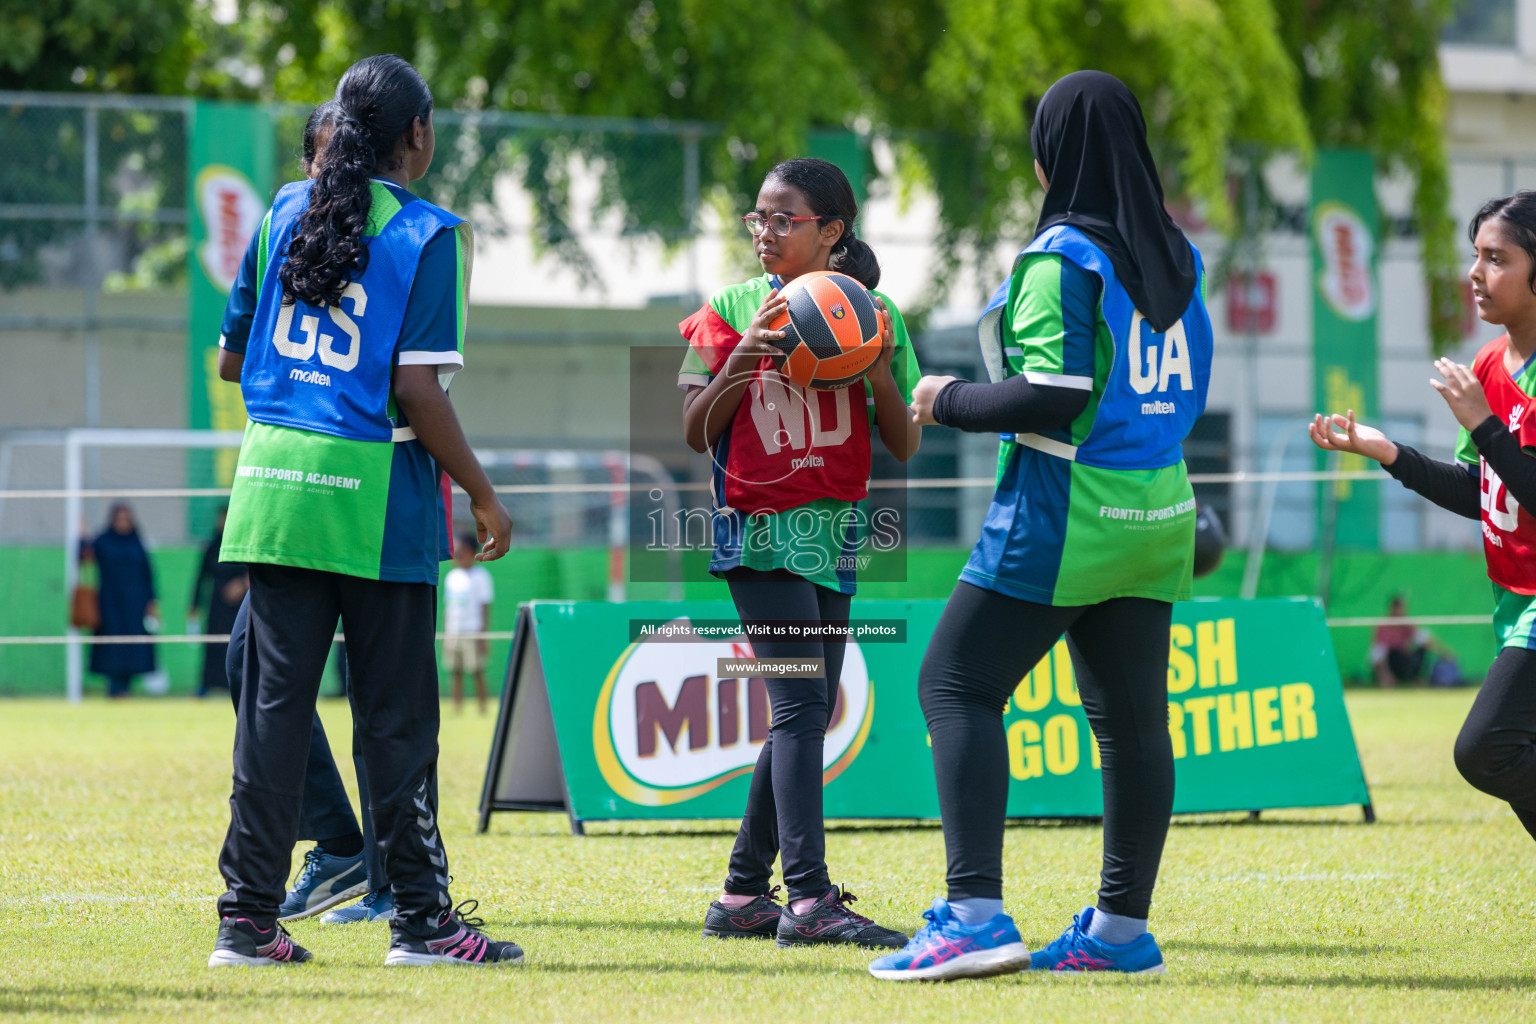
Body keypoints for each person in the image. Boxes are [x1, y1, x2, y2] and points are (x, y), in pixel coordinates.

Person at [871, 71, 1212, 981]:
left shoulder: (1064, 255)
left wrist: (948, 399)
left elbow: (1055, 395)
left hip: (1067, 507)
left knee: (955, 685)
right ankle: (1119, 934)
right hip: (1157, 506)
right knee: (1132, 721)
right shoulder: (1175, 253)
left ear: (1050, 156)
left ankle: (975, 915)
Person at [207, 54, 519, 968]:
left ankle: (246, 922)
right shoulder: (428, 233)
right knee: (394, 721)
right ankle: (423, 924)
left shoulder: (280, 211)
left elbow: (232, 362)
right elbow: (416, 389)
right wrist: (482, 492)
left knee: (272, 711)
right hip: (373, 492)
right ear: (416, 136)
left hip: (272, 485)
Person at [679, 157, 920, 949]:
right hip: (758, 529)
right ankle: (810, 900)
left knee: (801, 717)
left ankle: (745, 894)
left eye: (784, 220)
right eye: (758, 218)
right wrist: (737, 366)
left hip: (835, 532)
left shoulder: (875, 313)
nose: (765, 233)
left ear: (832, 231)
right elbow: (692, 433)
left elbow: (905, 442)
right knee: (801, 709)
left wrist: (879, 368)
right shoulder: (727, 311)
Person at [1310, 189, 1536, 851]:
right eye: (1476, 257)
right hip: (1513, 599)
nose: (1476, 273)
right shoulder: (1492, 365)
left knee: (1485, 748)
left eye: (1497, 258)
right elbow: (1480, 492)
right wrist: (1388, 452)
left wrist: (1487, 426)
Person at [89, 503, 159, 699]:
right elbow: (85, 556)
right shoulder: (103, 542)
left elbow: (148, 573)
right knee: (112, 645)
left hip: (136, 604)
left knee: (134, 646)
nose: (123, 524)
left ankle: (126, 686)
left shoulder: (137, 543)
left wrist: (152, 602)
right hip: (110, 604)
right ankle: (114, 686)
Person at [188, 506, 248, 697]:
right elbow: (200, 576)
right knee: (212, 646)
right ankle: (206, 684)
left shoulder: (244, 545)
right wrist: (194, 605)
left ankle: (239, 685)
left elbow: (257, 572)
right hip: (216, 605)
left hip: (240, 606)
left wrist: (242, 584)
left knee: (238, 644)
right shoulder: (213, 546)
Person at [443, 533, 494, 715]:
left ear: (471, 551)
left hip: (473, 631)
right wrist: (446, 633)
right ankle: (457, 707)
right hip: (453, 632)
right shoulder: (451, 576)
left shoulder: (481, 576)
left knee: (476, 670)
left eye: (460, 549)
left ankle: (482, 707)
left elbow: (485, 607)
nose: (455, 553)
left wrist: (483, 636)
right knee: (455, 670)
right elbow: (448, 608)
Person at [1370, 595, 1433, 687]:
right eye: (1397, 608)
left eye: (1401, 608)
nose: (1399, 611)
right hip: (1391, 662)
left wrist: (1443, 653)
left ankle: (1418, 677)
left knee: (1421, 650)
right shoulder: (1383, 626)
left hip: (1404, 659)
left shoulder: (1407, 624)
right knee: (1390, 652)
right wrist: (1384, 674)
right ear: (1392, 609)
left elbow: (1426, 642)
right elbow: (1378, 654)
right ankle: (1387, 678)